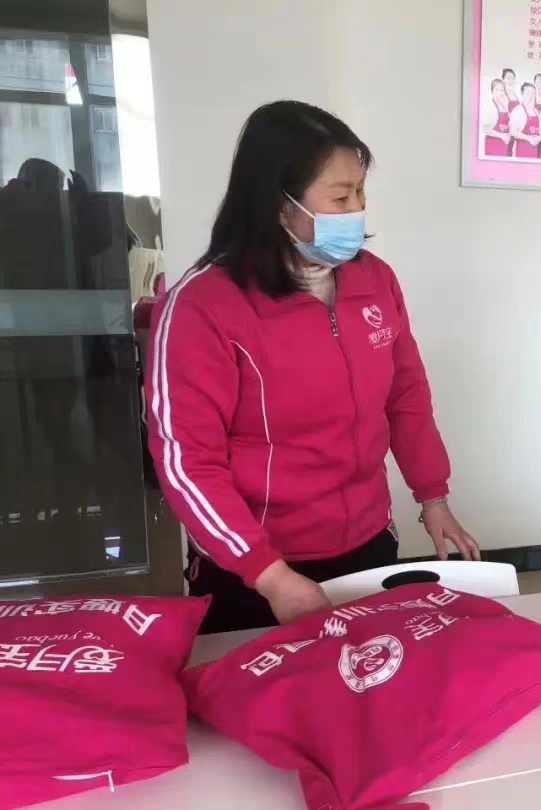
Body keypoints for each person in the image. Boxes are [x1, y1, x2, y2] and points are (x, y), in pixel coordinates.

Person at [145, 101, 479, 633]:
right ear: (279, 205)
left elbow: (406, 397)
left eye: (361, 193)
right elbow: (187, 462)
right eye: (341, 197)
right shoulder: (202, 306)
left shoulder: (375, 281)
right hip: (257, 566)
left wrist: (432, 496)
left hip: (368, 542)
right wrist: (270, 575)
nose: (357, 209)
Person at [509, 82, 541, 158]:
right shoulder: (518, 110)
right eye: (528, 93)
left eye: (533, 93)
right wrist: (529, 139)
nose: (531, 96)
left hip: (535, 150)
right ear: (522, 94)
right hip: (521, 149)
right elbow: (512, 132)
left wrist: (539, 137)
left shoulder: (536, 111)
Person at [483, 78, 512, 157]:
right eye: (497, 90)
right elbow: (486, 130)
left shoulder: (504, 106)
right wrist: (502, 136)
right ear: (492, 91)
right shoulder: (489, 106)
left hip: (505, 146)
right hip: (493, 146)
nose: (500, 92)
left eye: (502, 90)